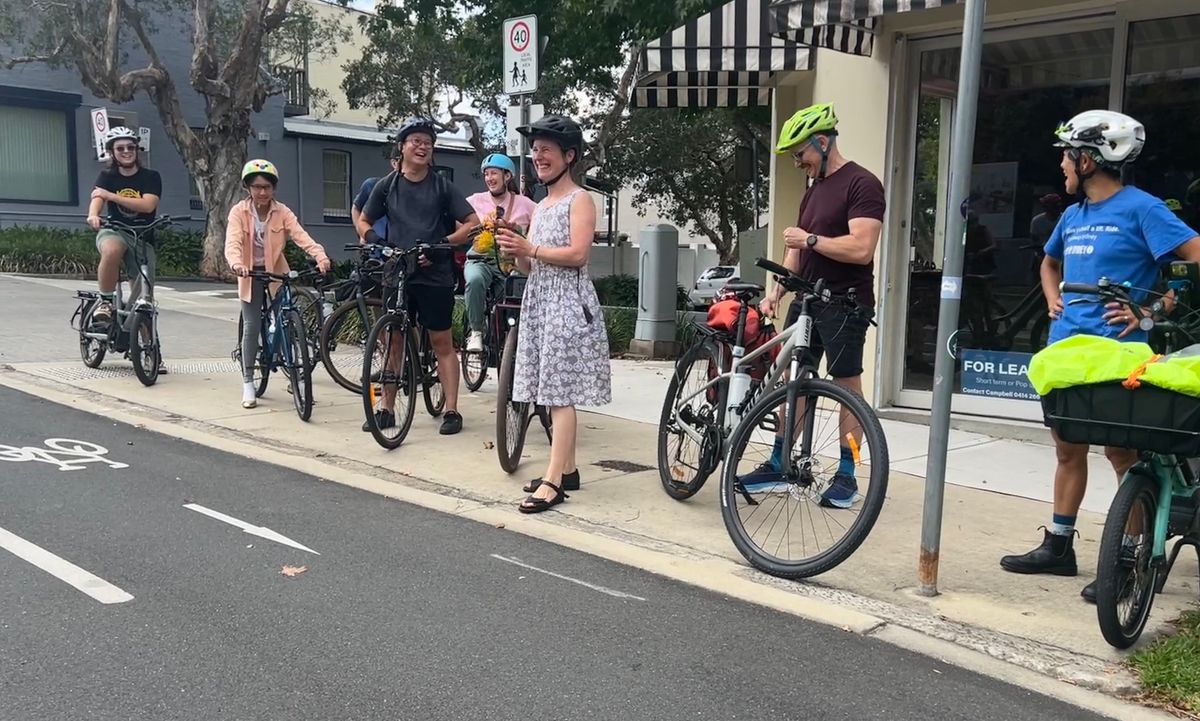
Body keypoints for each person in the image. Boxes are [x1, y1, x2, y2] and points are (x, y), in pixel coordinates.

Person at [999, 110, 1200, 603]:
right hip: (1067, 347)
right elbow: (1049, 263)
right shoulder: (1073, 215)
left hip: (1118, 351)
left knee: (1121, 453)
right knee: (1068, 447)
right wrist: (1051, 297)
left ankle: (1127, 557)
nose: (1062, 165)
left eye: (1067, 156)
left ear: (1088, 159)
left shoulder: (1143, 209)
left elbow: (1192, 260)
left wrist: (1150, 311)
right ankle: (1059, 546)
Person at [740, 102, 885, 508]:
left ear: (822, 142)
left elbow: (861, 247)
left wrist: (810, 241)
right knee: (793, 381)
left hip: (845, 303)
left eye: (800, 154)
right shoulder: (813, 191)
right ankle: (779, 463)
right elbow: (795, 251)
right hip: (806, 301)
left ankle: (849, 471)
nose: (797, 163)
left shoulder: (863, 184)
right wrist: (777, 291)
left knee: (847, 388)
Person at [497, 115, 611, 513]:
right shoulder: (542, 205)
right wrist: (516, 253)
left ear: (570, 155)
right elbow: (533, 266)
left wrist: (530, 250)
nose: (538, 156)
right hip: (541, 300)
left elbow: (579, 255)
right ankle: (569, 470)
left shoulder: (580, 200)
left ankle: (553, 481)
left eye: (547, 149)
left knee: (559, 396)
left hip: (566, 303)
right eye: (535, 149)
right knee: (549, 390)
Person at [355, 118, 479, 435]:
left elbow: (471, 222)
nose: (422, 147)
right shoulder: (388, 185)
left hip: (434, 272)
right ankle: (386, 409)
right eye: (416, 141)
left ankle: (451, 409)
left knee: (441, 342)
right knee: (393, 341)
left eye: (428, 142)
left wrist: (443, 244)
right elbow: (364, 218)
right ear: (403, 146)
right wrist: (374, 240)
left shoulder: (441, 186)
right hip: (397, 271)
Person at [225, 159, 331, 409]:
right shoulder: (239, 212)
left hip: (276, 273)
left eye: (267, 187)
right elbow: (233, 243)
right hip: (249, 273)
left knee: (286, 318)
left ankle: (296, 376)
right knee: (251, 324)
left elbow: (301, 236)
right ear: (248, 188)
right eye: (257, 187)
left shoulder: (282, 212)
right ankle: (249, 381)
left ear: (273, 189)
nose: (262, 192)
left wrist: (320, 255)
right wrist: (237, 264)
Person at [85, 126, 168, 374]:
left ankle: (146, 347)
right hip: (115, 230)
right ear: (112, 152)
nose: (126, 151)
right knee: (111, 250)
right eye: (120, 148)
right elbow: (97, 199)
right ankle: (106, 302)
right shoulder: (106, 176)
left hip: (143, 237)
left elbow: (147, 205)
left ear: (136, 150)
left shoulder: (150, 177)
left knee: (144, 298)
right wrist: (93, 215)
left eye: (130, 147)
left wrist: (111, 195)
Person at [463, 153, 537, 352]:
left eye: (494, 173)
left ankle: (511, 340)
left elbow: (539, 227)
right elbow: (457, 225)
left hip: (511, 263)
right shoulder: (473, 201)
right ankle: (476, 332)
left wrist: (516, 230)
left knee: (513, 297)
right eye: (486, 174)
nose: (489, 178)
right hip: (480, 258)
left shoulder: (526, 204)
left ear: (507, 176)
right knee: (475, 280)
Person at [351, 145, 401, 245]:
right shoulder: (373, 185)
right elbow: (355, 209)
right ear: (394, 163)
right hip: (376, 248)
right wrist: (362, 234)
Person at [1028, 193, 1063, 284]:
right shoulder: (1037, 221)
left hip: (1061, 255)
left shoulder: (1064, 219)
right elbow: (1034, 240)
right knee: (1038, 280)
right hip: (1041, 254)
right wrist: (1041, 254)